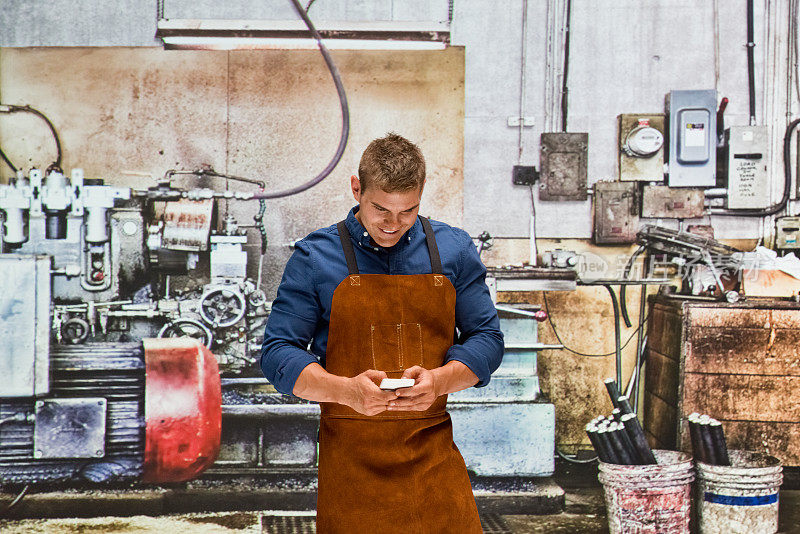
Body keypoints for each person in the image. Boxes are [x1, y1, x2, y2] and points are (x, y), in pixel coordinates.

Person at [261, 133, 504, 533]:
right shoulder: (315, 257)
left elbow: (487, 339)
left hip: (431, 452)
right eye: (380, 209)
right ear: (357, 188)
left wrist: (440, 380)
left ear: (422, 194)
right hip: (350, 462)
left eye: (408, 211)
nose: (393, 224)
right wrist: (347, 392)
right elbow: (277, 354)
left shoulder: (454, 250)